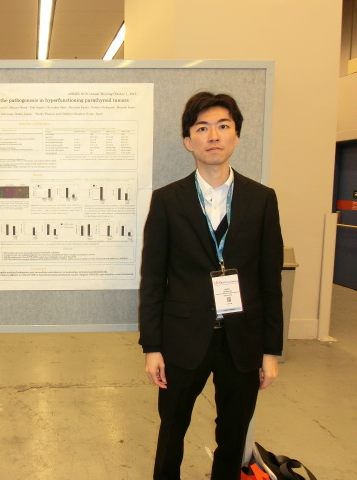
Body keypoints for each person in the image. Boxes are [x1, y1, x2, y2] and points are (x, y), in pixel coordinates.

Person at [138, 91, 284, 480]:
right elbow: (152, 279)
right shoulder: (167, 200)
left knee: (233, 434)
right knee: (172, 429)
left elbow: (270, 281)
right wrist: (152, 346)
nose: (213, 136)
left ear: (236, 135)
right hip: (183, 338)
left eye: (223, 126)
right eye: (202, 128)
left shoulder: (262, 200)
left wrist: (270, 351)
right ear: (188, 140)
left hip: (243, 340)